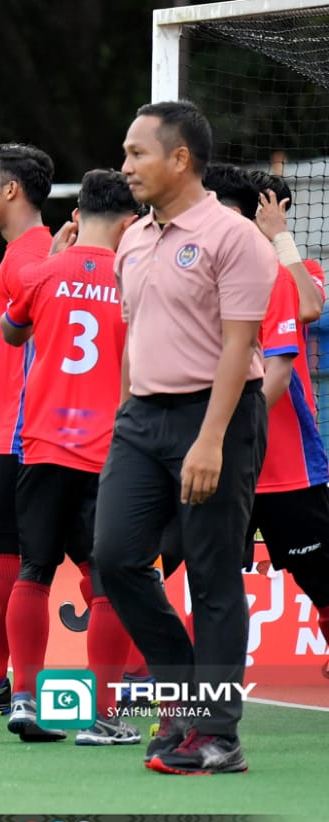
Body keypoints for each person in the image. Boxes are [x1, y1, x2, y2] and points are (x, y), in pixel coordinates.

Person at [93, 101, 276, 775]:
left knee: (213, 574)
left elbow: (239, 346)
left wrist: (211, 438)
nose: (125, 166)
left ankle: (219, 736)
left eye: (138, 153)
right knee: (113, 556)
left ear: (180, 159)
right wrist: (123, 415)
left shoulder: (234, 237)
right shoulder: (134, 239)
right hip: (140, 421)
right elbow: (134, 338)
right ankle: (186, 702)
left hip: (215, 415)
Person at [0, 169, 144, 745]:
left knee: (32, 572)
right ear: (130, 223)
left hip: (41, 447)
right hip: (109, 455)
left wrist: (49, 265)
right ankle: (105, 717)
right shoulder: (136, 279)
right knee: (107, 584)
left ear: (76, 216)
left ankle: (24, 698)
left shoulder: (41, 272)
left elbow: (12, 335)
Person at [205, 167, 329, 651]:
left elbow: (309, 306)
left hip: (287, 459)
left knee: (321, 576)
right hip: (218, 456)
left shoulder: (294, 270)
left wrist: (280, 240)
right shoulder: (201, 268)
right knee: (194, 570)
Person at [0, 142, 56, 714]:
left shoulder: (27, 262)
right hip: (38, 436)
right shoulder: (33, 254)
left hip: (24, 436)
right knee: (87, 560)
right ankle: (136, 679)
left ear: (11, 190)